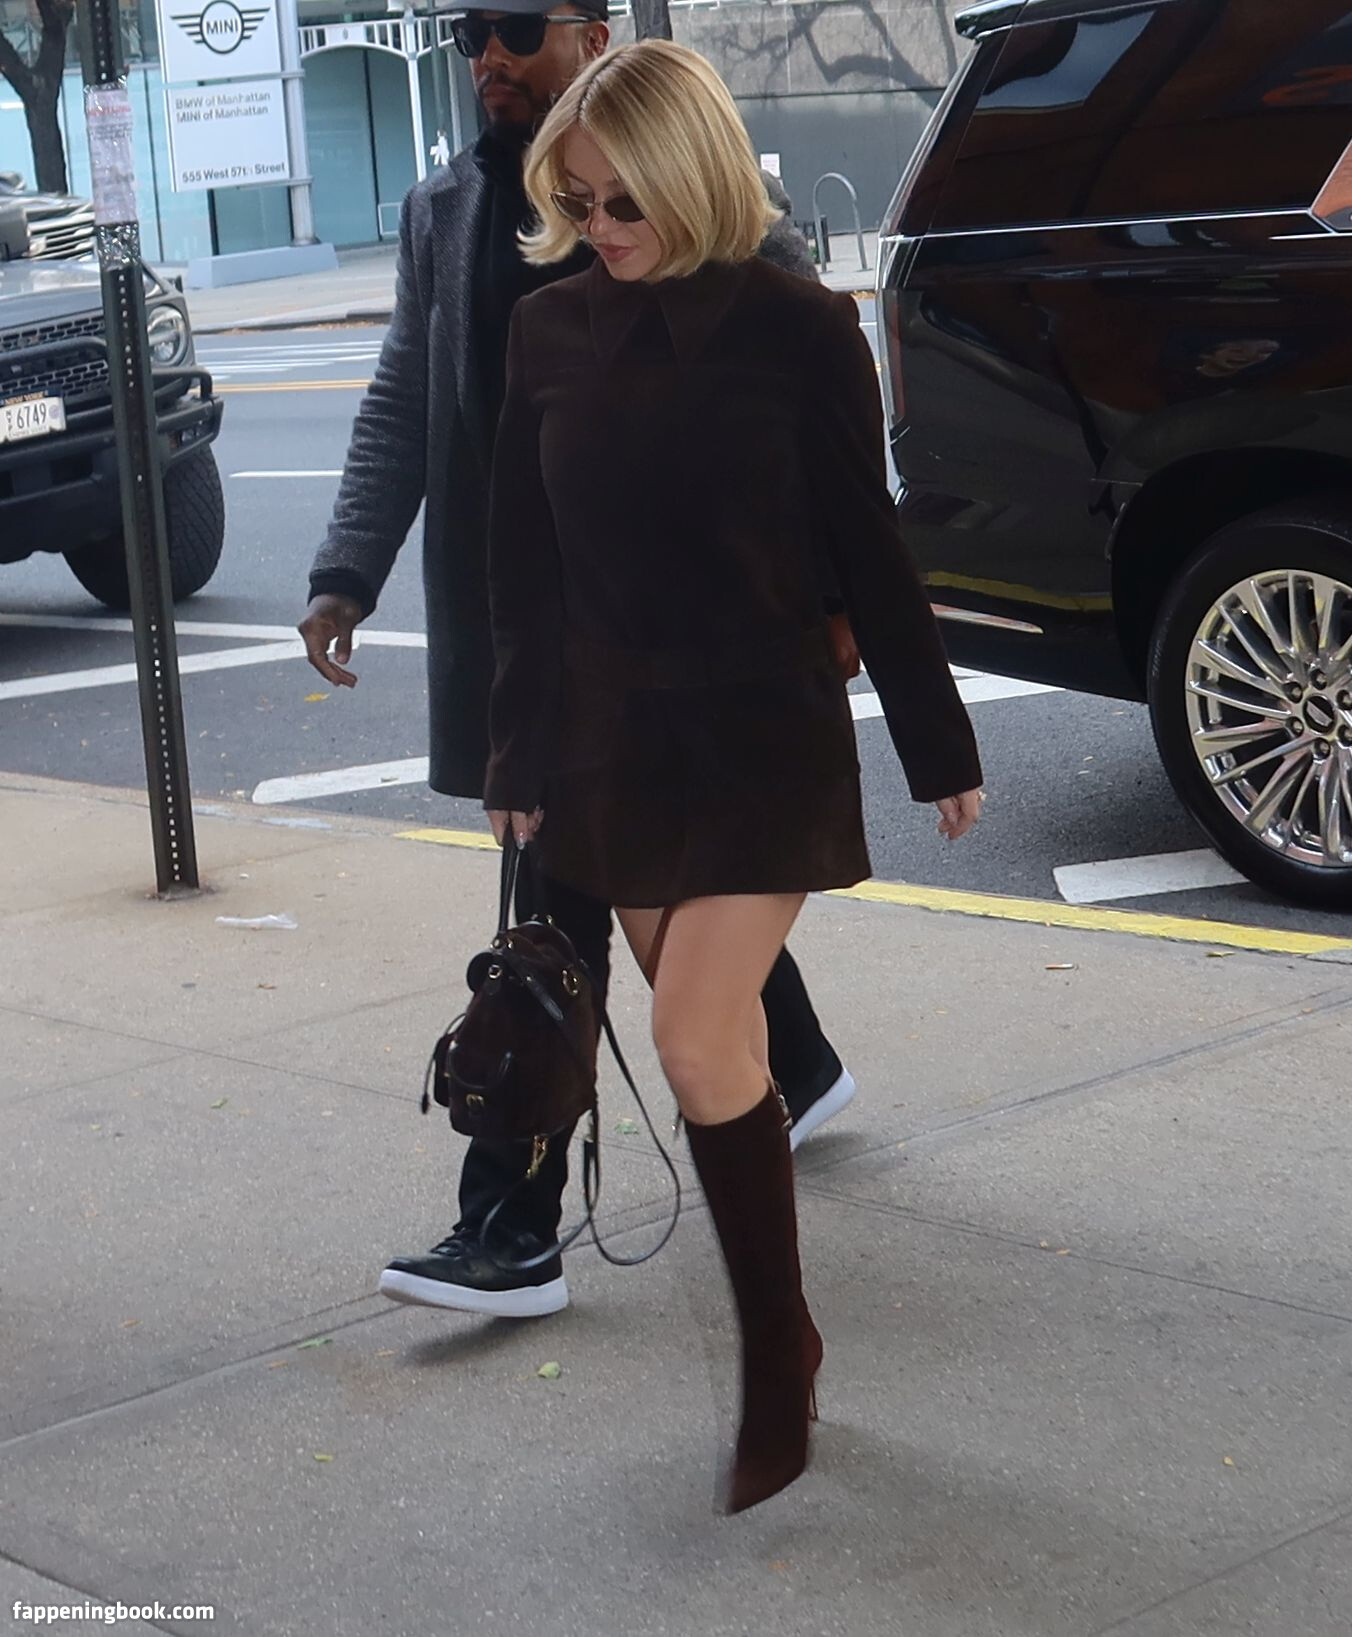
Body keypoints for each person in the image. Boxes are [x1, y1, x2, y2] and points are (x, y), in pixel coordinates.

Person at [299, 0, 860, 1324]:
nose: (486, 57)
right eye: (465, 35)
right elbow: (403, 398)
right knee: (614, 900)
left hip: (681, 652)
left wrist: (835, 601)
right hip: (535, 637)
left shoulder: (692, 193)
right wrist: (345, 568)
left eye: (511, 26)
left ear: (592, 35)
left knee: (556, 932)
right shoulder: (445, 212)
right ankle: (793, 1069)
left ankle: (513, 1228)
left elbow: (815, 412)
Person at [483, 40, 984, 1512]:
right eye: (575, 203)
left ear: (691, 176)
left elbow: (869, 544)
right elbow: (521, 568)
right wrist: (518, 752)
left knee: (697, 1037)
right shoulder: (546, 332)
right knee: (730, 1057)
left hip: (763, 739)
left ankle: (775, 1364)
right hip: (613, 750)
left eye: (621, 200)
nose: (597, 227)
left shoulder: (799, 329)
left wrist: (935, 737)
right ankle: (795, 1327)